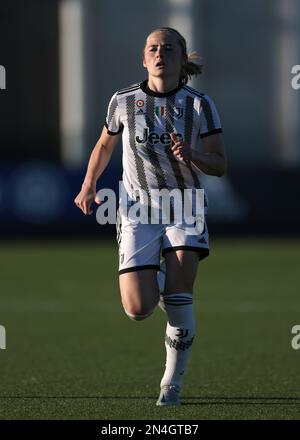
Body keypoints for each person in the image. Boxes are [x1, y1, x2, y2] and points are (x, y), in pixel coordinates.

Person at [74, 27, 227, 406]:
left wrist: (193, 156)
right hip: (137, 208)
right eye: (153, 49)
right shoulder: (123, 100)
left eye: (169, 48)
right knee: (138, 309)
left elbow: (220, 164)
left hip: (185, 205)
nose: (161, 54)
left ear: (181, 57)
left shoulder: (199, 105)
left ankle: (170, 384)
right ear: (144, 58)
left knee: (179, 295)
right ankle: (156, 280)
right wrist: (89, 183)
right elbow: (104, 143)